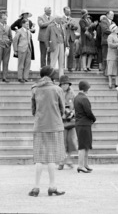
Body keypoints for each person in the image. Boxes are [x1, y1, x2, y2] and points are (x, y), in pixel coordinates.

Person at [29, 66, 66, 197]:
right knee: (52, 157)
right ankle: (52, 186)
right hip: (55, 125)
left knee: (39, 158)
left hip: (39, 125)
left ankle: (36, 187)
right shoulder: (58, 89)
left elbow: (33, 109)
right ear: (51, 76)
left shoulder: (35, 89)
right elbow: (62, 108)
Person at [74, 80, 96, 173]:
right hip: (84, 123)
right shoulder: (84, 98)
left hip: (80, 123)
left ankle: (85, 164)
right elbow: (88, 112)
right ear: (86, 88)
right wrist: (94, 119)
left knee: (86, 145)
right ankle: (80, 165)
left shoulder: (77, 97)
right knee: (83, 146)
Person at [58, 75, 77, 170]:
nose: (65, 85)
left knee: (71, 141)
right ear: (60, 84)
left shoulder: (72, 93)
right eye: (63, 84)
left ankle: (69, 159)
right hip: (61, 120)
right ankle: (62, 160)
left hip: (71, 120)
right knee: (62, 141)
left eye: (66, 84)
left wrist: (72, 112)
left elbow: (76, 105)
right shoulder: (57, 92)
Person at [62, 7, 78, 72]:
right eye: (67, 11)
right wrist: (67, 24)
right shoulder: (61, 19)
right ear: (64, 11)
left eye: (69, 11)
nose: (69, 12)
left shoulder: (72, 19)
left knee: (71, 53)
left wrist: (72, 26)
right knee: (62, 53)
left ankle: (70, 67)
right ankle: (62, 67)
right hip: (64, 37)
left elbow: (76, 27)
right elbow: (61, 26)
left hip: (71, 37)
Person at [107, 24, 118, 89]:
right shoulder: (110, 36)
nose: (117, 29)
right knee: (110, 70)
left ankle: (116, 83)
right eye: (116, 29)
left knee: (117, 70)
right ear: (113, 30)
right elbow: (110, 45)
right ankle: (110, 83)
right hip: (111, 55)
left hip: (117, 55)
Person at [0, 10, 12, 82]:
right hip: (0, 45)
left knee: (6, 62)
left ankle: (4, 77)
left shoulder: (8, 27)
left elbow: (11, 37)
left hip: (7, 47)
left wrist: (9, 42)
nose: (5, 19)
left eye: (6, 18)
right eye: (4, 18)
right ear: (0, 18)